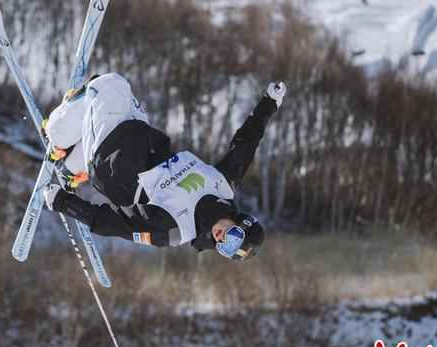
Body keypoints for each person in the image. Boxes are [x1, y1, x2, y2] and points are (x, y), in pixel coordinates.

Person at [42, 72, 286, 261]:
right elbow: (245, 144)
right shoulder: (223, 184)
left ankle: (56, 135)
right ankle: (71, 165)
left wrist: (64, 202)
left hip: (112, 163)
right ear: (241, 222)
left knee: (109, 83)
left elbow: (116, 225)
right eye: (233, 238)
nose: (222, 241)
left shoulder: (176, 229)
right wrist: (269, 104)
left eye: (226, 249)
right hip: (139, 139)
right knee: (121, 98)